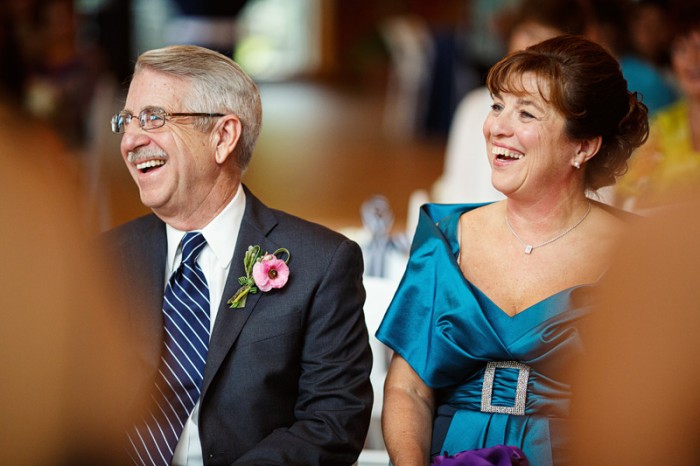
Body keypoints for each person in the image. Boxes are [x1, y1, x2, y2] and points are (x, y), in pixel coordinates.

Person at [377, 35, 648, 466]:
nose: (496, 127)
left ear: (583, 146)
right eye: (497, 106)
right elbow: (409, 388)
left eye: (526, 113)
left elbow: (648, 410)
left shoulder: (636, 254)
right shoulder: (445, 237)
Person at [103, 45, 373, 465]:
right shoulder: (101, 260)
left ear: (223, 137)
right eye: (126, 120)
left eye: (154, 117)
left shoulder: (321, 264)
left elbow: (333, 422)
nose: (131, 140)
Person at [433, 0, 587, 204]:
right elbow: (454, 189)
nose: (534, 46)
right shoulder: (474, 106)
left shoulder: (573, 116)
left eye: (527, 114)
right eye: (529, 33)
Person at [614, 0, 700, 212]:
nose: (692, 59)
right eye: (680, 49)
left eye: (699, 47)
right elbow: (626, 200)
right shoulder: (662, 128)